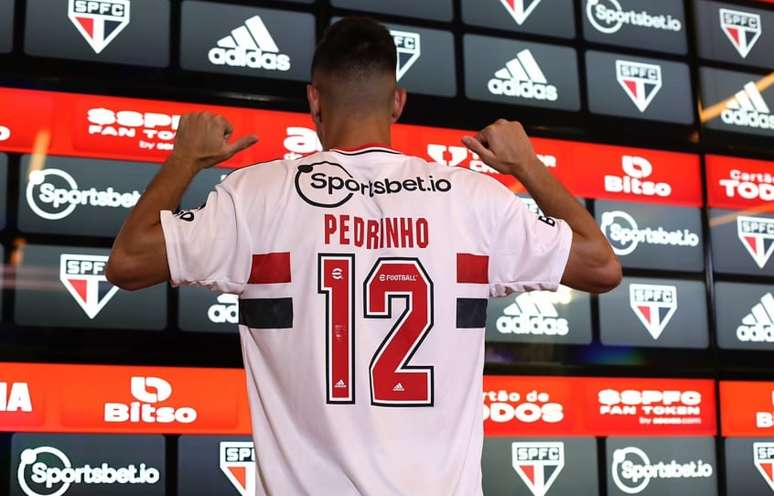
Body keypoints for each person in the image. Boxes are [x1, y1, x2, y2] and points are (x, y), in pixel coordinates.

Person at [106, 16, 621, 496]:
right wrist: (527, 165)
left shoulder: (257, 195)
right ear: (397, 101)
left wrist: (184, 159)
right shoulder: (474, 199)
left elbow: (129, 261)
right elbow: (600, 266)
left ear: (314, 101)